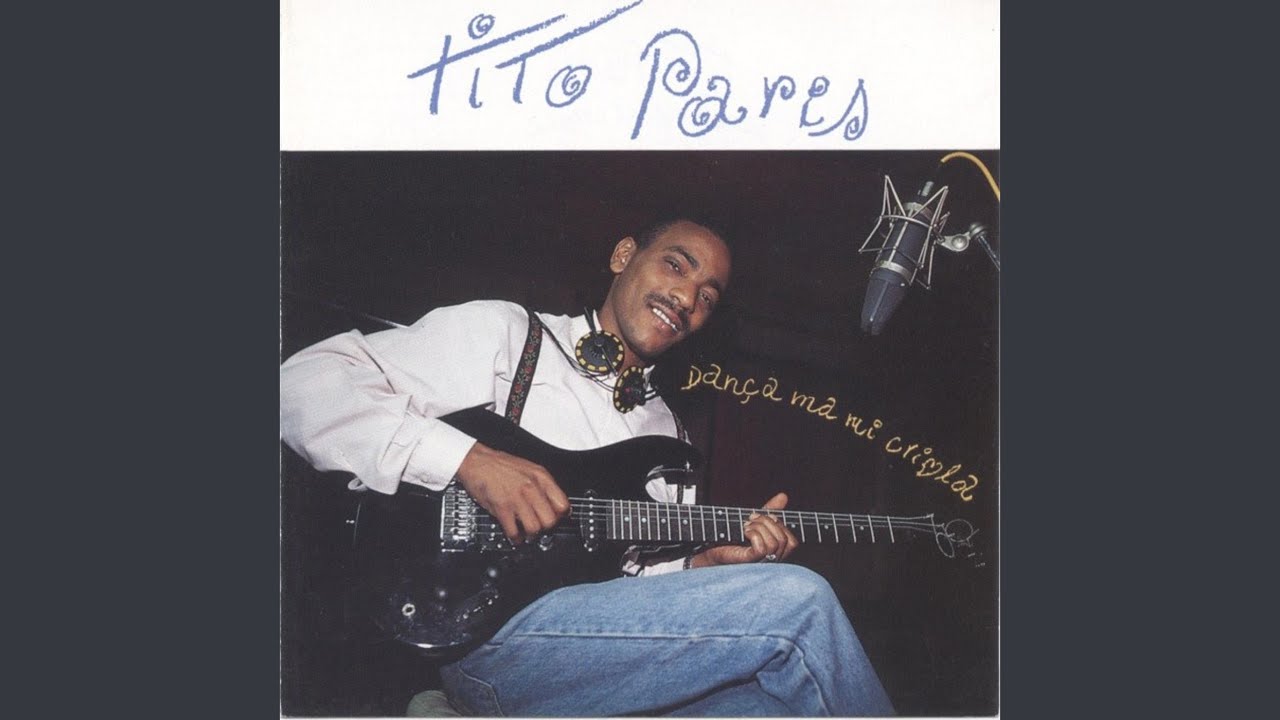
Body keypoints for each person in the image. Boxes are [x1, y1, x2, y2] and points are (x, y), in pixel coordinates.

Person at [280, 218, 895, 716]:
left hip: (594, 666)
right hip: (489, 643)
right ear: (624, 255)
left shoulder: (671, 437)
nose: (686, 298)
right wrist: (467, 458)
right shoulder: (510, 337)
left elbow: (628, 582)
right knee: (799, 601)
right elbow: (299, 387)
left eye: (707, 297)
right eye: (676, 265)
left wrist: (702, 566)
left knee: (768, 706)